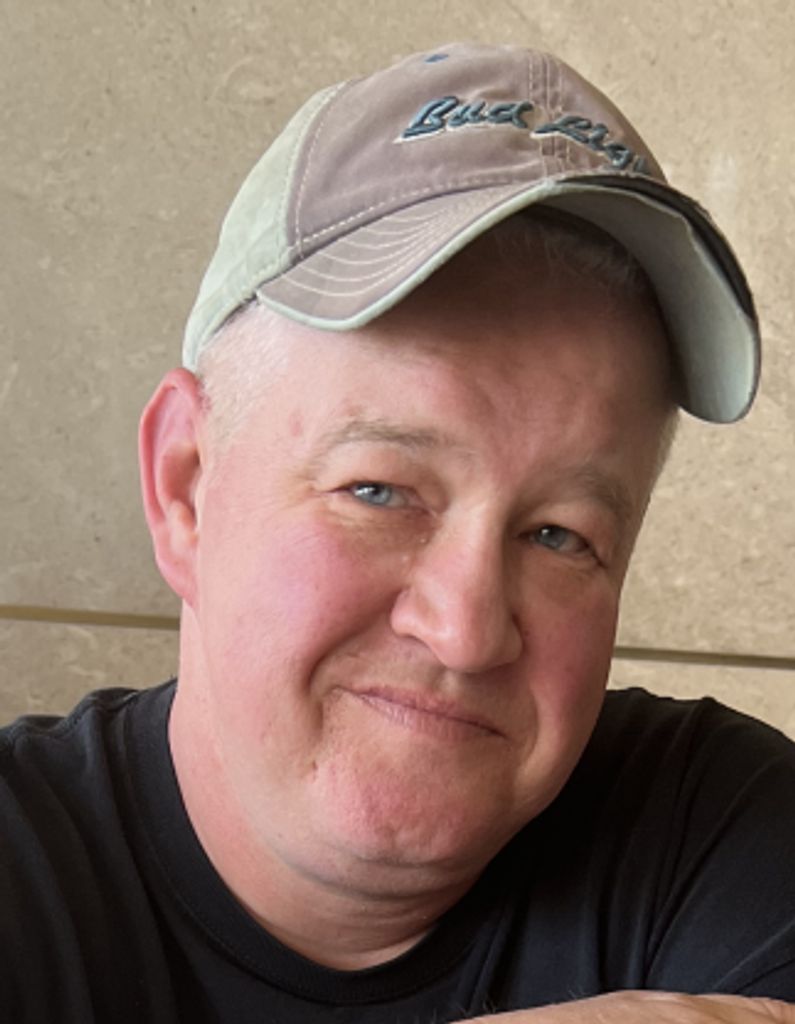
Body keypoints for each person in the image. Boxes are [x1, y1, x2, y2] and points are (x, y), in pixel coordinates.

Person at [2, 41, 793, 1024]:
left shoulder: (715, 831)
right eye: (379, 490)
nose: (465, 631)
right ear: (185, 487)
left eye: (559, 534)